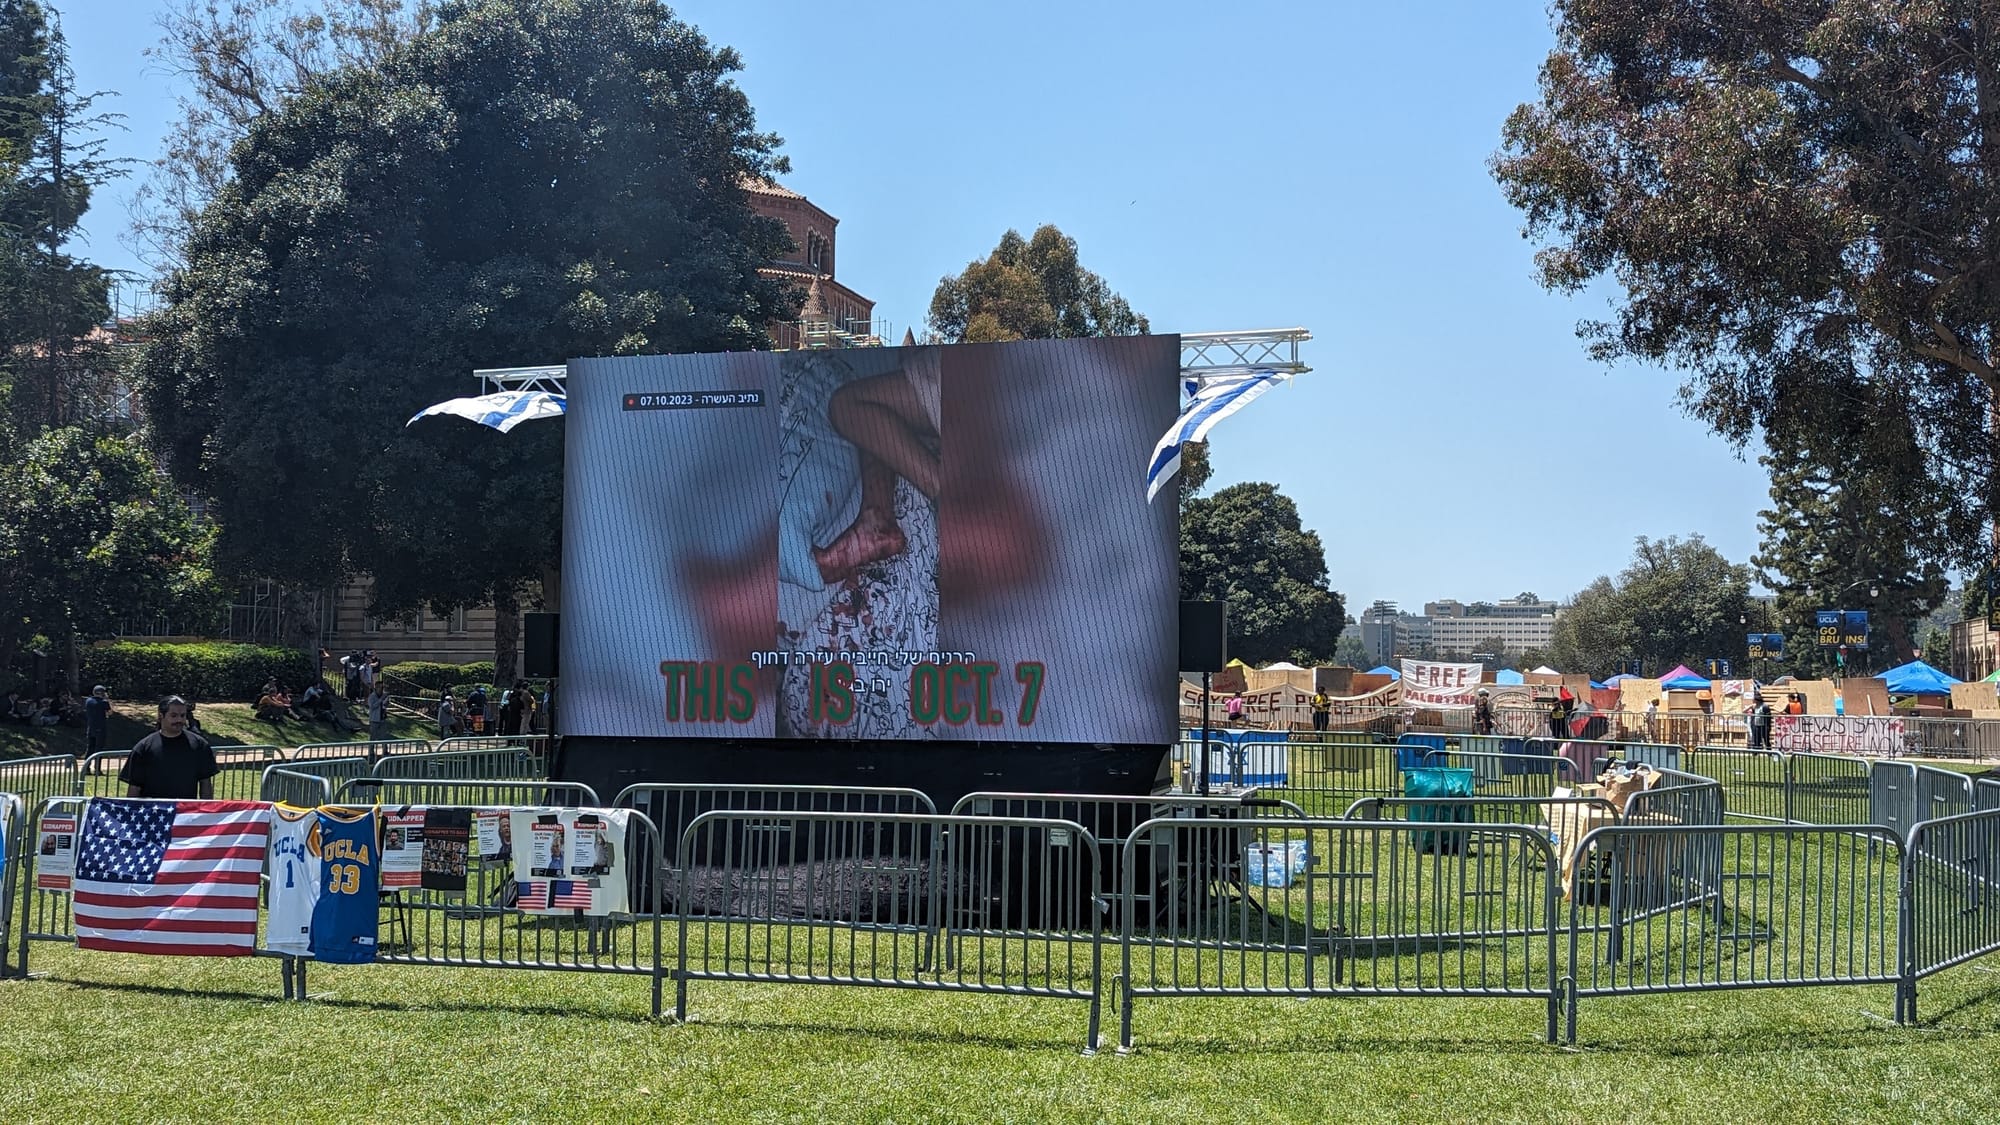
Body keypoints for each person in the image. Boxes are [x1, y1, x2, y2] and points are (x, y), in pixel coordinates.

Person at [119, 695, 217, 799]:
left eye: (183, 715)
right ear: (161, 716)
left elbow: (205, 783)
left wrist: (206, 812)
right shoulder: (143, 748)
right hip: (153, 813)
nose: (179, 720)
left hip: (185, 813)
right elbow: (134, 788)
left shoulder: (200, 745)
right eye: (174, 716)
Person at [83, 685, 111, 768]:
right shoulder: (103, 702)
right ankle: (97, 768)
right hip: (101, 727)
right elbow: (110, 713)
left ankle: (86, 767)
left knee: (90, 748)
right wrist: (107, 700)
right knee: (99, 749)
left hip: (91, 727)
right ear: (102, 693)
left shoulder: (88, 701)